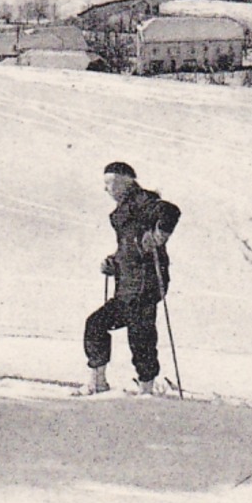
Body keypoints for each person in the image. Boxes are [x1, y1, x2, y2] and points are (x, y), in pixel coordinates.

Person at [80, 162, 181, 396]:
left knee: (140, 336)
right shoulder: (124, 209)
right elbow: (129, 247)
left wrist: (158, 236)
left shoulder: (141, 201)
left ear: (127, 180)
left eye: (110, 182)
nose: (106, 189)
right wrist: (113, 262)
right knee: (96, 324)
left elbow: (171, 211)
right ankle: (98, 382)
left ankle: (146, 390)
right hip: (126, 286)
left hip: (145, 283)